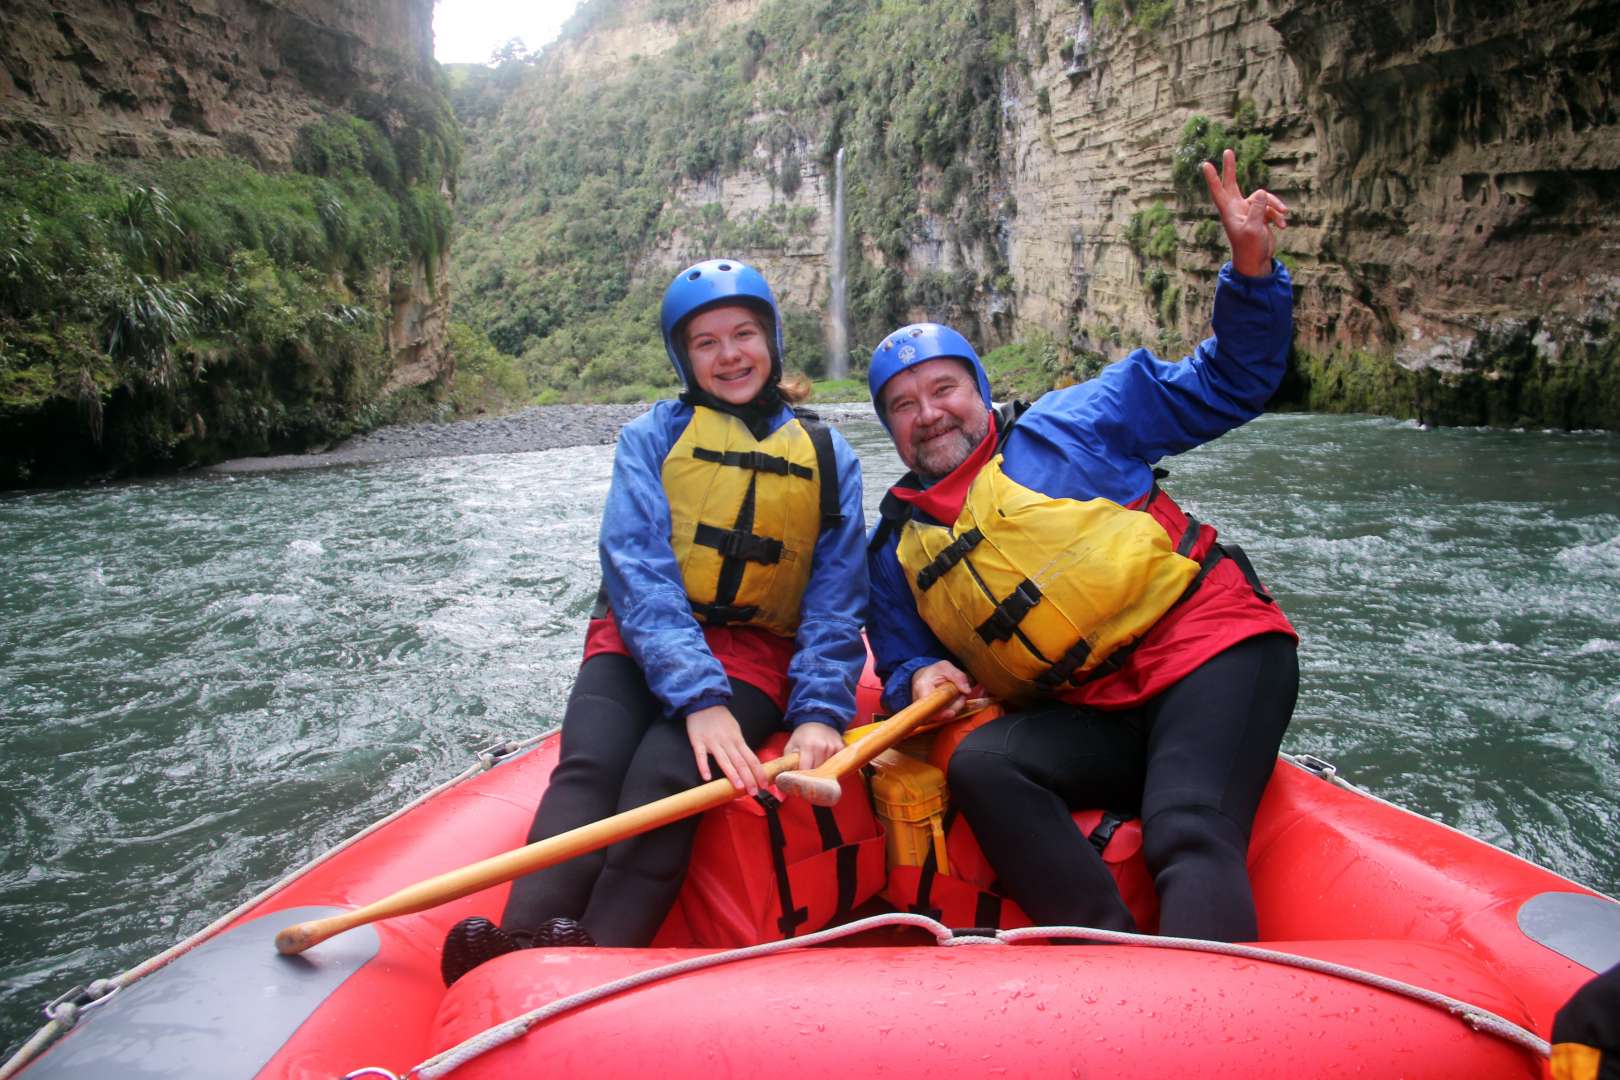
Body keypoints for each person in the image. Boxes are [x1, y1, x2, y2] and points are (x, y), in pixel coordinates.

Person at [864, 148, 1298, 942]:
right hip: (1097, 712)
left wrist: (1250, 270)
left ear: (979, 391)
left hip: (1211, 655)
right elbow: (898, 660)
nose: (928, 414)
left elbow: (1234, 379)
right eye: (902, 404)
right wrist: (920, 672)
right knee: (981, 765)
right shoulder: (895, 549)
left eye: (943, 389)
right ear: (887, 427)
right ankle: (1102, 945)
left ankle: (1211, 1026)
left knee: (1187, 829)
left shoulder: (1076, 420)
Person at [441, 259, 867, 985]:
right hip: (641, 639)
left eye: (743, 334)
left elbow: (835, 598)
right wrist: (696, 695)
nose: (729, 355)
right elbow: (636, 568)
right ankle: (513, 953)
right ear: (683, 356)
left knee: (667, 775)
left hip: (752, 655)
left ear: (772, 342)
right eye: (705, 342)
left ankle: (594, 962)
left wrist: (819, 708)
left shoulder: (830, 457)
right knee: (589, 768)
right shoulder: (651, 436)